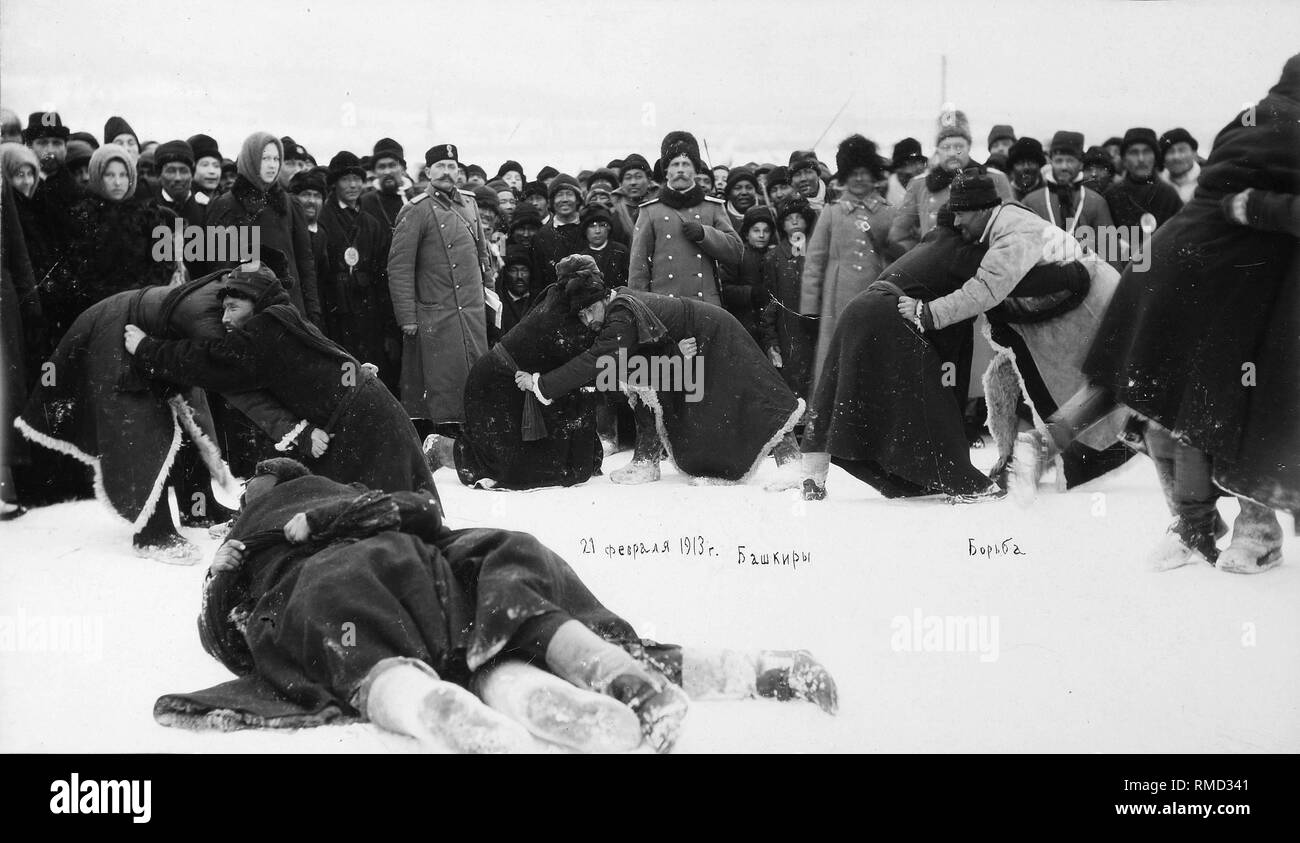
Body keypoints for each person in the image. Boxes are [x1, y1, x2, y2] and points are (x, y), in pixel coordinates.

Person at [153, 458, 838, 753]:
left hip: (346, 584)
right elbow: (422, 508)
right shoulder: (314, 514)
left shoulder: (261, 534)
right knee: (508, 612)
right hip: (426, 574)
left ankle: (441, 711)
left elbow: (229, 644)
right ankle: (652, 679)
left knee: (354, 633)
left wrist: (226, 577)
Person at [1015, 55, 1300, 574]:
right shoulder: (1259, 120)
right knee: (1172, 402)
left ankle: (1251, 529)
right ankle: (1199, 524)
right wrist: (1251, 207)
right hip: (1197, 271)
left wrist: (1255, 207)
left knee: (1217, 403)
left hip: (1237, 280)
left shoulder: (1255, 118)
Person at [799, 207, 1091, 502]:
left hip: (862, 310)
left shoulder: (934, 243)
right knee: (932, 403)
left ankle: (814, 475)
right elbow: (1015, 284)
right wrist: (1073, 274)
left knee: (837, 394)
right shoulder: (962, 251)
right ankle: (963, 482)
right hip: (891, 316)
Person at [124, 262, 436, 504]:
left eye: (233, 307)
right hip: (368, 410)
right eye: (223, 309)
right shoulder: (283, 316)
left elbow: (209, 361)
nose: (224, 319)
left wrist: (146, 349)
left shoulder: (266, 328)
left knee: (387, 512)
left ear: (257, 303)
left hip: (362, 422)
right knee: (395, 505)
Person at [516, 256, 804, 487]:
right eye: (581, 315)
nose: (588, 319)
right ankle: (646, 460)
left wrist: (542, 384)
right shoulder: (615, 307)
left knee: (753, 392)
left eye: (590, 309)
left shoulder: (620, 316)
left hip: (713, 331)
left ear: (603, 298)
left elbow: (594, 361)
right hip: (689, 342)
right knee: (638, 381)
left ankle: (790, 462)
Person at [386, 143, 492, 435]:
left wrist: (489, 295)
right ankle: (445, 442)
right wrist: (407, 318)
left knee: (474, 378)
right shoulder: (415, 209)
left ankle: (471, 437)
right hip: (436, 314)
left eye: (452, 167)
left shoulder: (469, 203)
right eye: (441, 167)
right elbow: (399, 268)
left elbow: (484, 256)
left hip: (470, 312)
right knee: (442, 385)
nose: (447, 173)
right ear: (429, 171)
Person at [800, 135, 897, 393]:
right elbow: (814, 264)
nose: (859, 178)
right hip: (837, 301)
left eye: (865, 172)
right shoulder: (831, 213)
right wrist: (809, 308)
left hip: (877, 298)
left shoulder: (889, 213)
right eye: (853, 173)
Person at [206, 132, 322, 326]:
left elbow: (304, 265)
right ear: (250, 159)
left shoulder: (290, 204)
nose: (272, 164)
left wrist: (312, 314)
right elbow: (216, 266)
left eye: (276, 158)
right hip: (243, 313)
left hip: (289, 309)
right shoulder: (225, 204)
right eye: (265, 158)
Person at [627, 131, 742, 307]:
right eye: (675, 164)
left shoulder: (713, 207)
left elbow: (736, 252)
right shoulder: (650, 211)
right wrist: (642, 309)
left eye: (686, 164)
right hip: (665, 306)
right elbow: (638, 268)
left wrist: (705, 234)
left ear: (696, 170)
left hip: (706, 305)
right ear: (666, 171)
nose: (680, 169)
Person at [317, 151, 399, 391]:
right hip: (337, 312)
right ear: (334, 183)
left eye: (357, 179)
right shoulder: (323, 219)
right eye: (345, 179)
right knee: (344, 373)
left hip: (369, 312)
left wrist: (388, 327)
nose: (352, 185)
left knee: (371, 375)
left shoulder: (371, 223)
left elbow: (383, 276)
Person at [887, 109, 1013, 255]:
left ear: (969, 147)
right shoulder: (919, 184)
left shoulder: (996, 178)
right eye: (946, 147)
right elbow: (899, 234)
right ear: (937, 150)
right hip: (934, 265)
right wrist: (920, 256)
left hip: (980, 263)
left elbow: (1009, 228)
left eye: (958, 147)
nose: (952, 153)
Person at [760, 196, 819, 400]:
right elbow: (769, 302)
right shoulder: (773, 258)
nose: (794, 221)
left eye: (799, 217)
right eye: (788, 218)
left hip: (817, 327)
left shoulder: (819, 252)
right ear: (781, 225)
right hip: (789, 331)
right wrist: (771, 339)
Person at [579, 203, 629, 288]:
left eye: (602, 225)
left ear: (608, 228)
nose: (597, 231)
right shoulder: (582, 257)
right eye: (592, 226)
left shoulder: (621, 250)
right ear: (585, 230)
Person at [1158, 127, 1201, 204]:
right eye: (1170, 151)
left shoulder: (1208, 180)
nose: (1176, 157)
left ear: (1194, 153)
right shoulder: (1157, 183)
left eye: (1182, 150)